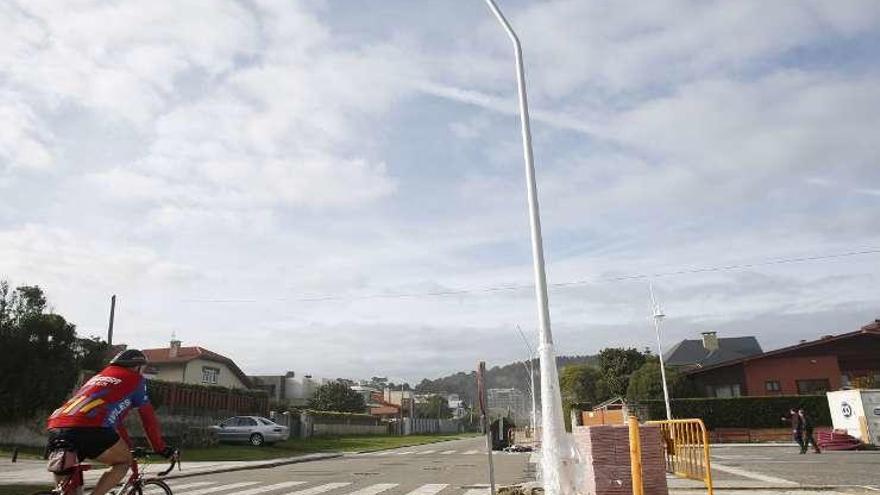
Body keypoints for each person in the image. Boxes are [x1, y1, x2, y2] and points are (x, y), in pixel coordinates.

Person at [46, 349, 174, 495]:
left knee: (67, 487)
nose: (142, 373)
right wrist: (160, 448)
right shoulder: (135, 379)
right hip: (91, 428)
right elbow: (148, 419)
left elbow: (116, 423)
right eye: (142, 369)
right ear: (137, 367)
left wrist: (127, 446)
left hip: (56, 426)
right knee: (124, 461)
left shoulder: (98, 377)